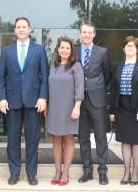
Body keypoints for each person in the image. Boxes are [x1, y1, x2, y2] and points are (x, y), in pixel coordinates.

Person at [0, 17, 49, 186]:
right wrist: (2, 98)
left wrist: (43, 97)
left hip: (33, 101)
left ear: (29, 29)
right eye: (18, 27)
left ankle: (31, 174)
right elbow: (1, 78)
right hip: (11, 102)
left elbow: (44, 77)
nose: (21, 29)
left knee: (32, 140)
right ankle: (14, 173)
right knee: (12, 140)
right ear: (14, 30)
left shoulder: (39, 50)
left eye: (24, 27)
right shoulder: (6, 51)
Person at [109, 36, 138, 186]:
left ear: (137, 49)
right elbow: (113, 89)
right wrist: (112, 111)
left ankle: (135, 172)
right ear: (123, 48)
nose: (130, 48)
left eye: (133, 46)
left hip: (137, 109)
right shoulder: (117, 66)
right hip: (121, 108)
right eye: (127, 46)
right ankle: (126, 171)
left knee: (136, 141)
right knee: (125, 141)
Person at [76, 21, 111, 185]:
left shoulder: (102, 52)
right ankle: (87, 171)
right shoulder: (74, 51)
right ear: (80, 33)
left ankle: (102, 171)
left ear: (94, 34)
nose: (87, 35)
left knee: (100, 137)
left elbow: (108, 76)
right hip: (79, 101)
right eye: (84, 32)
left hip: (97, 100)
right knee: (83, 138)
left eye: (90, 32)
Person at [45, 37, 84, 186]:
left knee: (68, 139)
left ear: (71, 50)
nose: (64, 50)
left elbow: (79, 88)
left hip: (70, 108)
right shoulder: (53, 66)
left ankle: (66, 172)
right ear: (58, 49)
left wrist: (77, 106)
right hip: (54, 107)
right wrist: (47, 103)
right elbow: (48, 86)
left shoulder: (76, 66)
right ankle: (57, 171)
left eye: (67, 48)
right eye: (62, 47)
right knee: (56, 140)